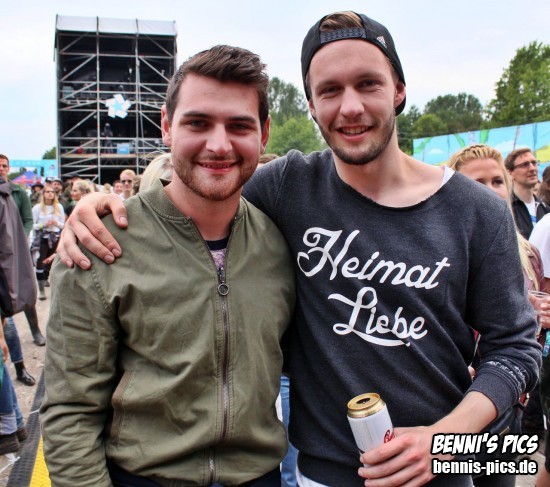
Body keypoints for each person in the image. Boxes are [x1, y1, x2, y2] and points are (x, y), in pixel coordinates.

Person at [57, 12, 541, 486]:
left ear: (399, 89)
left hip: (447, 469)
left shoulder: (477, 210)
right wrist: (99, 208)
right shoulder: (288, 186)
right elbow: (200, 187)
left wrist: (447, 441)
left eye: (368, 84)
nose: (350, 107)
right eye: (329, 90)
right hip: (320, 472)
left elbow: (516, 348)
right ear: (310, 104)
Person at [40, 44, 295, 487]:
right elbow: (71, 413)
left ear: (264, 133)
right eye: (198, 123)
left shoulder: (282, 241)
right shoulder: (99, 244)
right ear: (166, 126)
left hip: (260, 477)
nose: (219, 144)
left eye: (239, 125)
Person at [448, 144, 546, 487]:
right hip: (454, 406)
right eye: (476, 183)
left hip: (507, 410)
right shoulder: (438, 254)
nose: (490, 191)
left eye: (497, 181)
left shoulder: (528, 253)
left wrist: (536, 321)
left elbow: (525, 340)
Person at [505, 147, 549, 239]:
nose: (532, 168)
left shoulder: (545, 208)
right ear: (510, 173)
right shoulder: (506, 208)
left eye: (534, 163)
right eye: (525, 164)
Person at [31, 185, 65, 300]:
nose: (50, 194)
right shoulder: (37, 208)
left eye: (52, 192)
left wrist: (56, 223)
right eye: (47, 192)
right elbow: (32, 224)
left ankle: (47, 279)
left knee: (54, 261)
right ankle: (41, 291)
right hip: (43, 237)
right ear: (43, 194)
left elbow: (63, 224)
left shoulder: (59, 207)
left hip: (55, 236)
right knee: (40, 261)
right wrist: (43, 225)